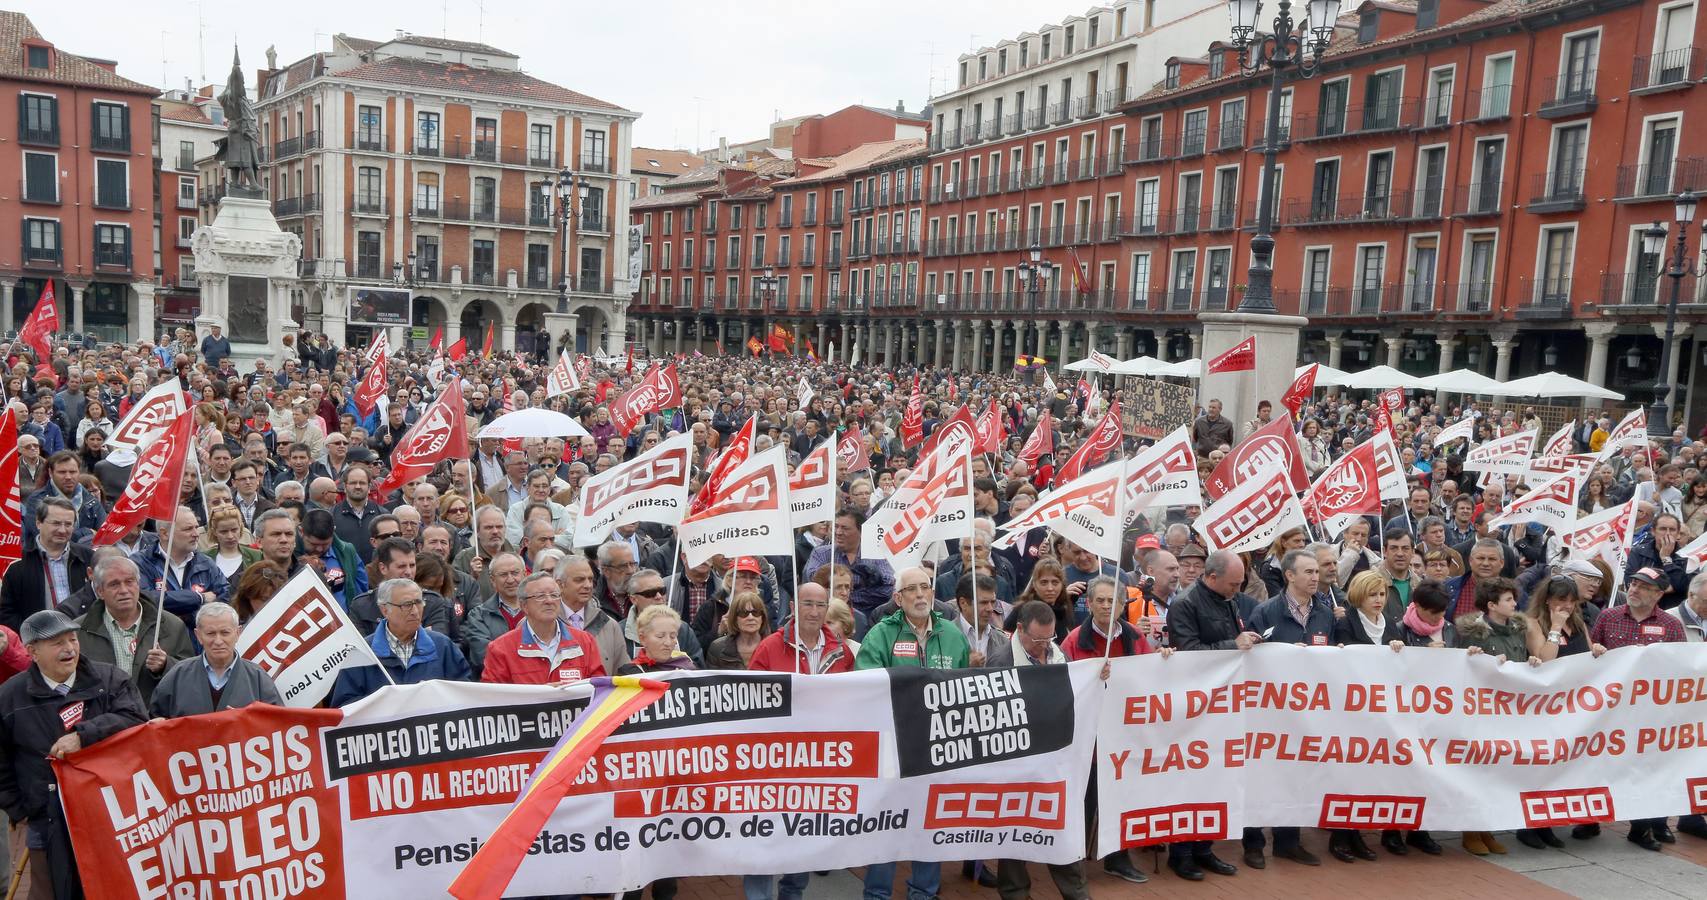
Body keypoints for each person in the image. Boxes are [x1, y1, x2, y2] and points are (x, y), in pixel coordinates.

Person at [0, 609, 147, 900]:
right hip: (47, 821)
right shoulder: (9, 697)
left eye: (72, 639)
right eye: (57, 643)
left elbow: (136, 718)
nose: (69, 649)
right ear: (32, 651)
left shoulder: (110, 679)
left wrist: (84, 735)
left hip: (111, 816)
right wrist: (22, 808)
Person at [856, 566, 968, 900]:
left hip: (938, 749)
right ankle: (876, 895)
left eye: (925, 588)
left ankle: (923, 893)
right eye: (912, 590)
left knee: (930, 825)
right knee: (886, 825)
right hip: (893, 750)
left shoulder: (953, 635)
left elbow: (964, 690)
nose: (920, 595)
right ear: (898, 597)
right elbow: (867, 686)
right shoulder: (880, 635)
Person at [1163, 549, 1255, 880]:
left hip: (1223, 704)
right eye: (1233, 584)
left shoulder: (1227, 598)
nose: (1237, 590)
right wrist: (1234, 644)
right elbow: (1189, 654)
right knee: (1189, 781)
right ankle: (1181, 853)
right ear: (1212, 577)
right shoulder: (1185, 604)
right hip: (1195, 707)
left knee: (1218, 777)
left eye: (1240, 584)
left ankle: (1204, 848)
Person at [1579, 567, 1686, 850]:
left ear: (1658, 594)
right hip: (1608, 709)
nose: (1635, 590)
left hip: (1648, 712)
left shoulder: (1671, 625)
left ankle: (1640, 828)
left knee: (1644, 767)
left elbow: (1681, 668)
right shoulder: (1609, 616)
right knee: (1597, 762)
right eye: (1634, 584)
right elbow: (1589, 655)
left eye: (1643, 586)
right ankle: (1589, 819)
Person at [993, 600, 1088, 900]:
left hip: (1054, 761)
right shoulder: (1000, 661)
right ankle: (1015, 893)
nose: (1044, 647)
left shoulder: (1058, 654)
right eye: (1037, 641)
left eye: (1049, 639)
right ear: (1019, 629)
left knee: (1062, 830)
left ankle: (1076, 893)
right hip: (1016, 763)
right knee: (1014, 831)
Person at [74, 554, 194, 707]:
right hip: (105, 721)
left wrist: (165, 665)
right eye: (114, 584)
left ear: (138, 585)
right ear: (100, 591)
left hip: (156, 719)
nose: (124, 590)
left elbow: (190, 676)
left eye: (129, 582)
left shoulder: (170, 625)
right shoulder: (79, 631)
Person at [331, 579, 472, 705]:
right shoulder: (362, 653)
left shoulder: (442, 646)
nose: (415, 611)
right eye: (407, 605)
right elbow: (345, 707)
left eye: (418, 602)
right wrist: (386, 702)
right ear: (385, 610)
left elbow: (465, 693)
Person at [150, 602, 283, 717]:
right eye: (211, 633)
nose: (218, 641)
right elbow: (155, 721)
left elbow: (277, 723)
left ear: (237, 633)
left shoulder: (257, 677)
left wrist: (248, 720)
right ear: (198, 635)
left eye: (225, 633)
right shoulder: (177, 675)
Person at [481, 572, 606, 685]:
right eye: (540, 596)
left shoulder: (584, 641)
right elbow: (493, 699)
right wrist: (543, 694)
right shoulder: (500, 649)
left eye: (554, 595)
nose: (549, 601)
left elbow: (599, 689)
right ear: (524, 605)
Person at [0, 498, 92, 633]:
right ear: (38, 522)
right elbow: (7, 612)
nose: (62, 530)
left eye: (68, 524)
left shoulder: (89, 558)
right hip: (38, 644)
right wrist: (32, 635)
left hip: (82, 638)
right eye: (56, 523)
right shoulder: (17, 564)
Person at [135, 506, 232, 630]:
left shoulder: (206, 563)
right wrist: (199, 598)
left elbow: (224, 599)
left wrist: (189, 618)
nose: (196, 534)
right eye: (188, 529)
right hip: (160, 642)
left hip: (200, 642)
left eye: (196, 527)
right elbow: (147, 599)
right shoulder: (141, 563)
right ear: (164, 533)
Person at [746, 582, 855, 674]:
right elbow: (753, 692)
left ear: (827, 608)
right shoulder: (768, 648)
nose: (814, 612)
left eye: (821, 605)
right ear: (793, 607)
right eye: (808, 604)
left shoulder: (842, 651)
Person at [557, 555, 631, 675]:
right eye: (579, 580)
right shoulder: (543, 623)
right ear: (560, 585)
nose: (588, 585)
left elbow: (624, 671)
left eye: (590, 579)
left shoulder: (608, 624)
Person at [705, 591, 771, 669]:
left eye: (756, 613)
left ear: (762, 618)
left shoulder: (774, 647)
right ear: (735, 618)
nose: (750, 617)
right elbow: (712, 680)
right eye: (743, 613)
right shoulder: (717, 648)